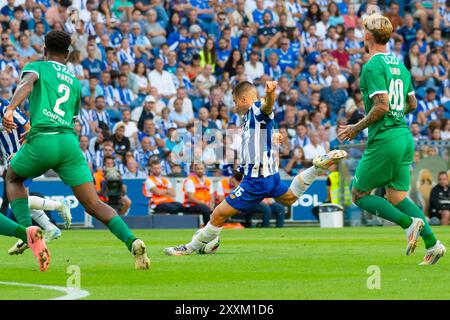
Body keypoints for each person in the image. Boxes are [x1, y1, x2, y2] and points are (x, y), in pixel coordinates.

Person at [1, 31, 150, 271]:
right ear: (68, 55)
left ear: (44, 50)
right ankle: (133, 241)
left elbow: (26, 85)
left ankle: (28, 233)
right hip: (69, 144)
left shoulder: (36, 66)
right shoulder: (74, 81)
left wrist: (10, 110)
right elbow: (68, 118)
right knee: (93, 203)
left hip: (44, 141)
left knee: (12, 177)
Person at [165, 80, 346, 256]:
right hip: (270, 175)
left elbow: (267, 107)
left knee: (218, 214)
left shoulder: (256, 109)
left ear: (244, 99)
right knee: (290, 198)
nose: (234, 106)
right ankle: (316, 168)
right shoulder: (249, 119)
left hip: (257, 179)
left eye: (235, 102)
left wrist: (270, 93)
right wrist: (273, 137)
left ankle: (188, 248)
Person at [338, 14, 445, 265]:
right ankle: (434, 244)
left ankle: (408, 225)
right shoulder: (400, 65)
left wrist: (356, 127)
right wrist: (396, 115)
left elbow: (382, 106)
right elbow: (412, 103)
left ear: (367, 36)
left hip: (385, 138)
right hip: (404, 137)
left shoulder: (373, 66)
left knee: (359, 194)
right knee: (397, 197)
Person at [0, 98, 72, 256]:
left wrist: (20, 153)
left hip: (23, 158)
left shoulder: (6, 108)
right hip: (11, 163)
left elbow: (27, 126)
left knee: (17, 203)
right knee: (18, 206)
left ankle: (57, 207)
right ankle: (48, 229)